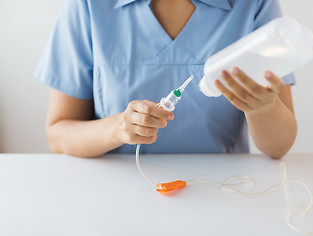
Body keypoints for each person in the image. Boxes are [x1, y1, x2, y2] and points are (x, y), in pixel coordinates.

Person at [35, 0, 297, 159]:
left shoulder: (253, 5)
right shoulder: (89, 6)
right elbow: (58, 135)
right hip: (115, 191)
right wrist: (118, 129)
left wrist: (264, 108)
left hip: (222, 192)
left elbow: (278, 148)